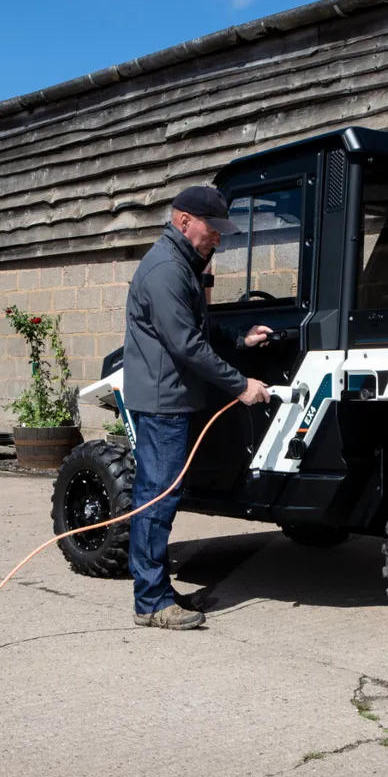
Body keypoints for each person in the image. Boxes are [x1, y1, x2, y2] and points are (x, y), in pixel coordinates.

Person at [121, 185, 271, 630]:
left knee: (160, 496)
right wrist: (240, 384)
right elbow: (185, 345)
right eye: (213, 229)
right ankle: (150, 601)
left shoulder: (181, 266)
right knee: (157, 499)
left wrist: (240, 339)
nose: (218, 240)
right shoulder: (166, 270)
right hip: (164, 403)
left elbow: (197, 330)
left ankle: (155, 592)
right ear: (183, 221)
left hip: (172, 398)